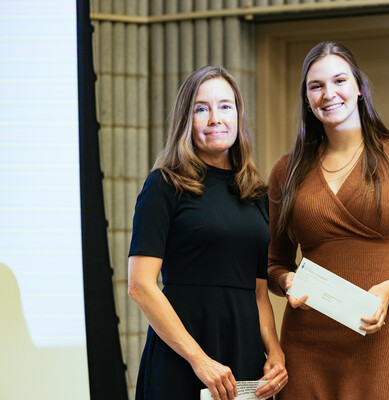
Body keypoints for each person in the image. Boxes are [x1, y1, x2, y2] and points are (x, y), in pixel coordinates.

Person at [267, 41, 389, 399]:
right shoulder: (285, 171)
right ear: (307, 99)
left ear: (359, 88)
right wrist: (287, 280)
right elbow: (274, 264)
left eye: (339, 81)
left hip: (381, 338)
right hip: (308, 345)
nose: (328, 93)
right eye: (315, 86)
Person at [128, 66, 287, 400]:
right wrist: (199, 360)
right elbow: (141, 286)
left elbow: (259, 293)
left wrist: (274, 352)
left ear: (239, 117)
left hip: (242, 355)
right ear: (187, 121)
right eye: (202, 108)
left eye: (225, 106)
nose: (216, 118)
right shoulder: (164, 185)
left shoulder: (257, 195)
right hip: (183, 358)